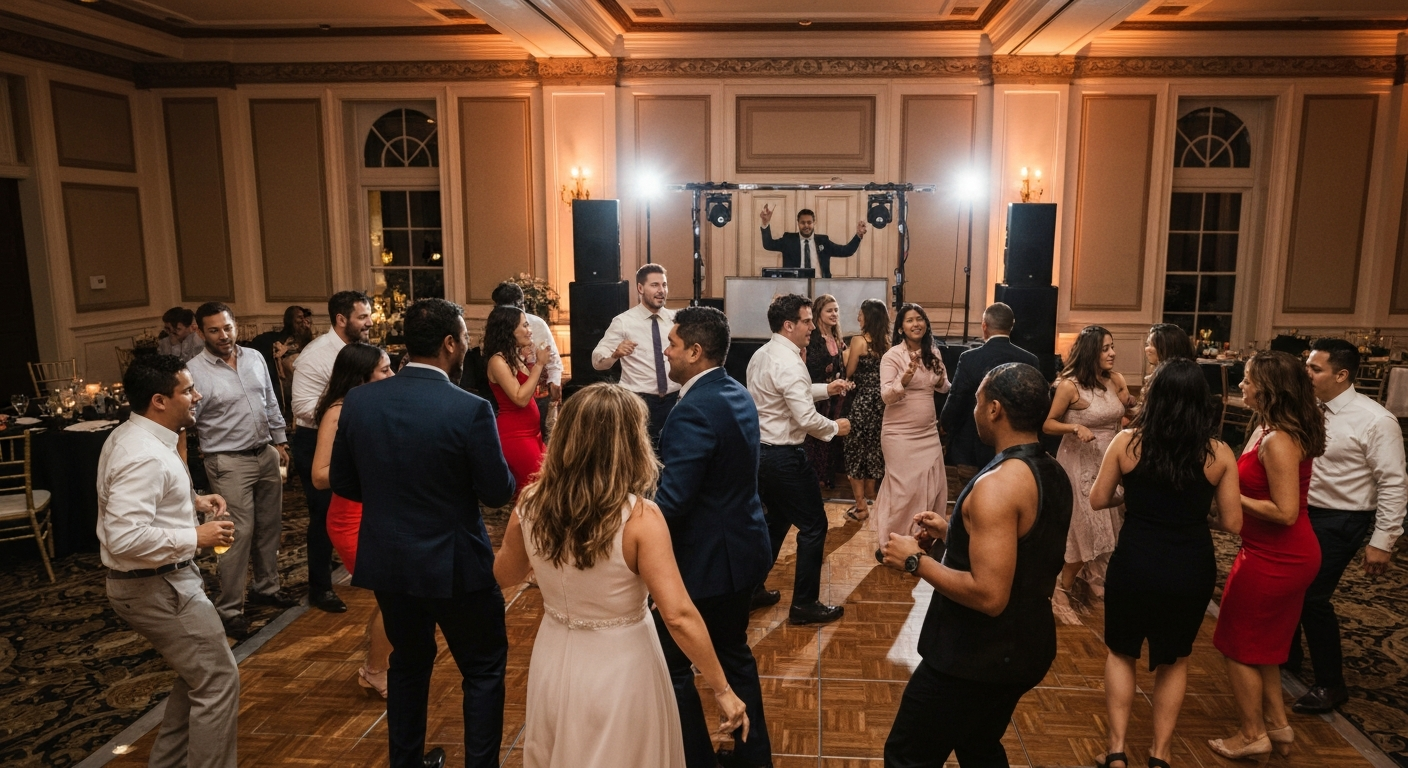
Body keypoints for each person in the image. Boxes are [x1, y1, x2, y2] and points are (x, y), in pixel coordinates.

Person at [493, 383, 750, 768]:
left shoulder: (531, 502)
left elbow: (505, 573)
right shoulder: (639, 518)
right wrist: (723, 688)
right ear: (630, 443)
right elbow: (678, 615)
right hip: (622, 663)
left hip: (554, 654)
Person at [330, 298, 516, 768]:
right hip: (457, 565)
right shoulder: (470, 409)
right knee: (483, 669)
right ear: (450, 344)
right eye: (465, 339)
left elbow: (345, 482)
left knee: (408, 666)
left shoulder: (360, 400)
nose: (469, 346)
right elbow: (496, 493)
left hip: (390, 562)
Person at [879, 362, 1072, 767]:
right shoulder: (1051, 471)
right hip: (1027, 647)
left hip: (975, 658)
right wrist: (955, 533)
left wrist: (915, 561)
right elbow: (1024, 546)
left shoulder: (998, 485)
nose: (972, 408)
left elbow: (989, 595)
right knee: (978, 746)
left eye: (978, 399)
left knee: (907, 755)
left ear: (995, 409)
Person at [1087, 359, 1243, 768]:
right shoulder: (1220, 453)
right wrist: (1198, 515)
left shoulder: (1127, 443)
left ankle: (1117, 751)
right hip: (1190, 565)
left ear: (1155, 397)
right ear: (1200, 402)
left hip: (1136, 560)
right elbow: (1233, 522)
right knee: (1174, 659)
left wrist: (1129, 499)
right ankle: (1161, 753)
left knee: (1121, 652)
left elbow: (1098, 499)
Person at [98, 354, 239, 768]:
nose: (196, 396)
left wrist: (191, 502)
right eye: (188, 390)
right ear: (159, 400)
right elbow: (124, 537)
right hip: (156, 588)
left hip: (157, 583)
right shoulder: (143, 455)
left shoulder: (136, 437)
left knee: (199, 676)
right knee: (217, 681)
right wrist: (195, 535)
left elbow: (141, 506)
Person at [654, 306, 774, 768]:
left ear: (696, 352)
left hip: (706, 561)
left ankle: (697, 760)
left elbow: (675, 500)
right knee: (734, 654)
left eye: (673, 344)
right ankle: (753, 757)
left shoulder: (695, 410)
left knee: (673, 665)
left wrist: (638, 538)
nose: (667, 350)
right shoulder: (735, 391)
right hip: (742, 549)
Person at [1208, 351, 1325, 763]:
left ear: (1269, 388)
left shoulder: (1278, 440)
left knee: (1236, 645)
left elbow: (1286, 511)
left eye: (1248, 380)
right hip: (1273, 552)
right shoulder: (1267, 428)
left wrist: (1229, 497)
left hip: (1278, 557)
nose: (1241, 385)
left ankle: (1251, 733)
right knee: (1268, 649)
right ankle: (1278, 727)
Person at [1292, 339, 1406, 713]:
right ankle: (1288, 659)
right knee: (1289, 588)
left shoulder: (1375, 419)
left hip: (1342, 518)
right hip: (1300, 511)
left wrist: (1383, 541)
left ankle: (1330, 683)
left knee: (1312, 596)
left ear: (1341, 375)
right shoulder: (1308, 408)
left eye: (1315, 369)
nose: (1306, 373)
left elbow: (1393, 482)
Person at [186, 302, 296, 641]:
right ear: (201, 332)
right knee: (236, 534)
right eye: (215, 330)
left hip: (264, 452)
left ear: (236, 326)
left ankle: (267, 587)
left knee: (270, 525)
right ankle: (230, 609)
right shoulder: (193, 371)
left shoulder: (255, 357)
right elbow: (185, 421)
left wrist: (279, 441)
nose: (224, 335)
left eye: (228, 327)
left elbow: (271, 402)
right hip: (227, 461)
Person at [747, 294, 853, 626]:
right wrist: (837, 427)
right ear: (789, 325)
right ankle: (804, 604)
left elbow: (789, 393)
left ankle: (751, 590)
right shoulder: (790, 362)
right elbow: (806, 419)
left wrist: (827, 389)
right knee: (814, 526)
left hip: (761, 455)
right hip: (784, 458)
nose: (812, 327)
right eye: (807, 321)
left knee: (775, 522)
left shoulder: (762, 355)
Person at [310, 342, 395, 699]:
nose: (392, 375)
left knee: (392, 596)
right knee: (395, 596)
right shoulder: (337, 412)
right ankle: (375, 671)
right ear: (362, 377)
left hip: (379, 513)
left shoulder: (373, 404)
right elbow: (319, 475)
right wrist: (369, 468)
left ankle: (380, 664)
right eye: (385, 370)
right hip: (351, 520)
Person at [1042, 325, 1136, 619]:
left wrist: (1133, 411)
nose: (1113, 353)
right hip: (1078, 464)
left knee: (1108, 527)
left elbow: (1123, 412)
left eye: (1112, 346)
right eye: (1106, 348)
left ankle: (1087, 583)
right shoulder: (1070, 386)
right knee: (1084, 529)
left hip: (1110, 462)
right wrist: (1075, 426)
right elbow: (1047, 424)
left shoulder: (1115, 380)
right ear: (1090, 352)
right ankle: (1060, 589)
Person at [291, 290, 372, 614]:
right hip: (315, 442)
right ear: (341, 320)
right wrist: (346, 409)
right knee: (323, 517)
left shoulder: (357, 351)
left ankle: (356, 565)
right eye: (362, 317)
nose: (369, 322)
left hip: (347, 439)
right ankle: (319, 588)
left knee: (350, 511)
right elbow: (300, 407)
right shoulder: (316, 355)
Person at [872, 303, 950, 544]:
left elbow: (943, 385)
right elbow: (886, 396)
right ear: (901, 328)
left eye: (919, 319)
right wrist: (903, 380)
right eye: (909, 320)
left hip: (928, 433)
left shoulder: (933, 352)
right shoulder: (892, 356)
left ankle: (920, 536)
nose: (916, 324)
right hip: (899, 435)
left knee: (931, 485)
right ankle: (893, 541)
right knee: (904, 490)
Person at [940, 303, 1038, 487]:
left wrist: (945, 423)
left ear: (984, 325)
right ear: (1012, 325)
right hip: (1015, 448)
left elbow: (957, 397)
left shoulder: (969, 358)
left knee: (972, 495)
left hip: (972, 446)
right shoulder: (1030, 360)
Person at [591, 264, 678, 448]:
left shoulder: (676, 320)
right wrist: (615, 354)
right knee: (639, 457)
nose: (661, 290)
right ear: (640, 288)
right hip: (638, 402)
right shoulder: (624, 322)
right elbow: (598, 362)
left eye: (664, 285)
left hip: (675, 401)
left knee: (672, 453)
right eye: (655, 285)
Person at [483, 305, 549, 497]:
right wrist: (539, 364)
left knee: (541, 491)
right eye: (525, 325)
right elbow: (520, 398)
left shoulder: (515, 357)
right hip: (516, 435)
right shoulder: (497, 361)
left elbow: (531, 392)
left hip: (532, 434)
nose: (530, 330)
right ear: (508, 329)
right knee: (531, 494)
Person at [492, 281, 563, 439]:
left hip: (539, 395)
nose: (529, 331)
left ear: (521, 304)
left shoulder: (537, 324)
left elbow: (553, 359)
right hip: (510, 399)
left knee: (544, 438)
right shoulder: (496, 331)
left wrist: (554, 382)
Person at [842, 299, 890, 522]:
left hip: (862, 403)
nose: (858, 318)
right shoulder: (888, 343)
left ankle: (861, 506)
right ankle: (873, 498)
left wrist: (845, 356)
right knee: (874, 451)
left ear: (868, 317)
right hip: (882, 404)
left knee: (854, 451)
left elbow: (850, 371)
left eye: (860, 314)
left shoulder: (858, 341)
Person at [804, 294, 848, 490]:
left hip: (833, 398)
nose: (834, 314)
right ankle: (814, 479)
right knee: (814, 438)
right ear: (818, 313)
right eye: (829, 310)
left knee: (830, 438)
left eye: (836, 310)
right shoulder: (811, 339)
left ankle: (826, 477)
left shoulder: (837, 338)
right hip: (815, 396)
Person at [759, 205, 866, 278]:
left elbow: (846, 251)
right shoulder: (789, 240)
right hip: (794, 286)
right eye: (803, 222)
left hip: (820, 286)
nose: (806, 226)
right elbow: (768, 244)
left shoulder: (823, 241)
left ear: (814, 223)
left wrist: (858, 235)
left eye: (809, 222)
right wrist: (765, 223)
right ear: (798, 223)